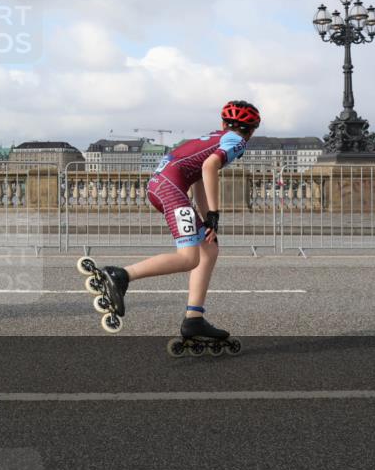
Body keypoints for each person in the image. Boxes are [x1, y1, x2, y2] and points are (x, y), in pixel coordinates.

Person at [97, 100, 260, 340]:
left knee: (209, 248)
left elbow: (199, 178)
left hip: (164, 184)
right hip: (170, 189)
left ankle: (194, 319)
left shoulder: (215, 136)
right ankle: (120, 274)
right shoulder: (237, 141)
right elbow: (210, 166)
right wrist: (214, 214)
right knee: (188, 258)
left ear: (223, 123)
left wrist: (207, 221)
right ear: (253, 129)